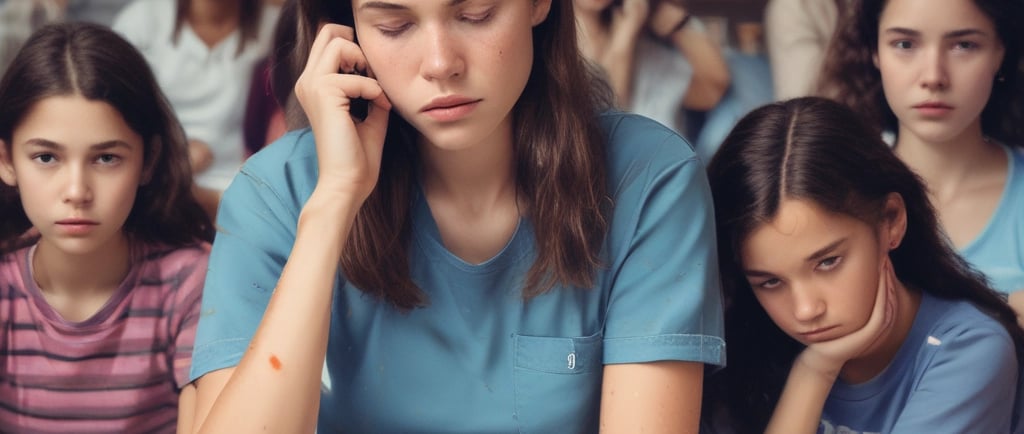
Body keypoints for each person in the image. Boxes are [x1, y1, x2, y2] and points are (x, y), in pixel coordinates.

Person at [184, 0, 725, 432]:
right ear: (347, 32)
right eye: (394, 24)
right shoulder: (277, 190)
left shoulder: (648, 178)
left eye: (475, 15)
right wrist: (333, 204)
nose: (441, 63)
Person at [702, 97, 1024, 433]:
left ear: (891, 221)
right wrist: (814, 371)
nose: (806, 309)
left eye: (828, 262)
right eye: (769, 282)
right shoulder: (744, 357)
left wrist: (814, 372)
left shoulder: (968, 351)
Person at [0, 22, 214, 432]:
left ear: (148, 161)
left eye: (106, 159)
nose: (77, 191)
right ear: (7, 161)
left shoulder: (190, 282)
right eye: (46, 158)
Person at [820, 0, 1024, 308]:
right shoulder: (830, 191)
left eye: (964, 45)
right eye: (904, 44)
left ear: (1001, 52)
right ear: (874, 50)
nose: (933, 76)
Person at [112, 0, 281, 218]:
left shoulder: (273, 26)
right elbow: (114, 104)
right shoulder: (143, 18)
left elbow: (282, 120)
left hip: (240, 180)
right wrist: (174, 152)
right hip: (157, 173)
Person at [573, 0, 730, 136]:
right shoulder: (555, 56)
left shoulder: (649, 53)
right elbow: (607, 123)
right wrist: (622, 43)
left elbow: (713, 91)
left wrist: (675, 22)